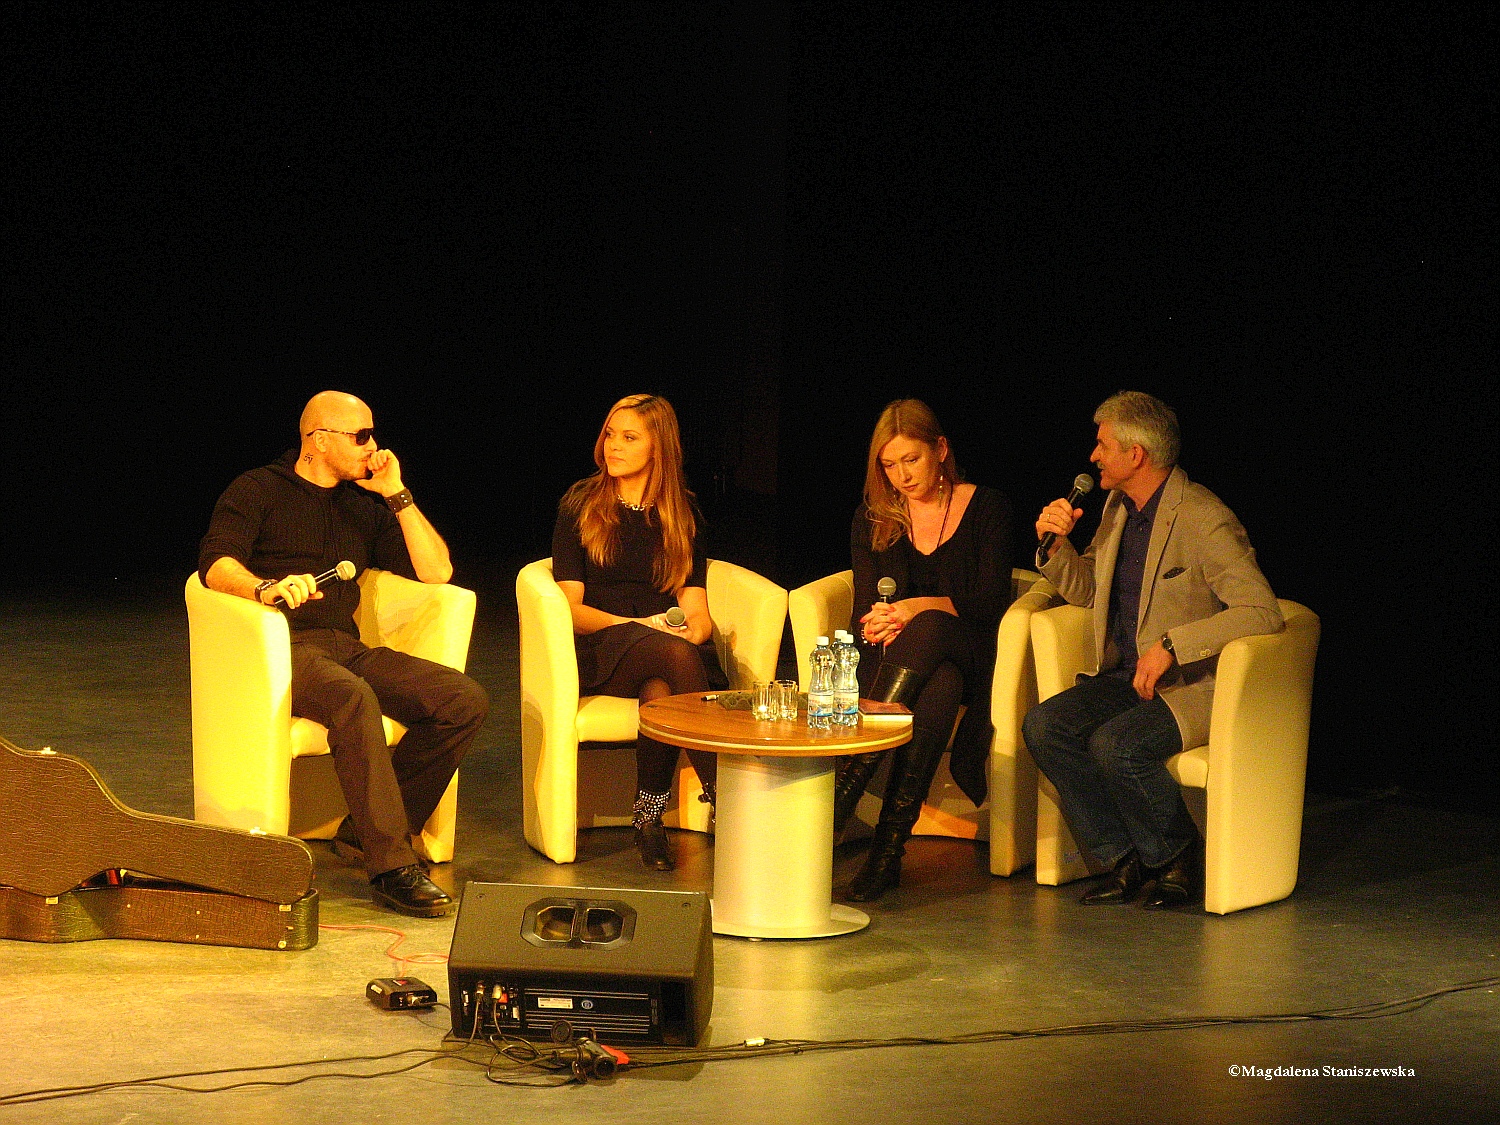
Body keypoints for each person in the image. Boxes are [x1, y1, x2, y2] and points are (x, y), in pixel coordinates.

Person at [198, 391, 488, 917]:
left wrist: (397, 494)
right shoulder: (258, 490)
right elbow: (216, 564)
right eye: (361, 436)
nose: (372, 447)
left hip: (343, 647)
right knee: (352, 698)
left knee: (462, 699)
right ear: (319, 439)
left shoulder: (362, 509)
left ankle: (368, 833)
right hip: (278, 648)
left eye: (371, 434)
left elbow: (437, 573)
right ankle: (390, 866)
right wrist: (264, 589)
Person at [1023, 391, 1281, 910]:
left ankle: (1178, 856)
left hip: (1191, 685)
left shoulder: (1204, 517)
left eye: (1102, 445)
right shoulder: (1118, 508)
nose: (1092, 457)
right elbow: (1092, 591)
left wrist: (1173, 645)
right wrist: (1055, 548)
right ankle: (1124, 859)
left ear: (1135, 455)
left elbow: (1262, 611)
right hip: (1124, 679)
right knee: (1044, 727)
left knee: (1116, 745)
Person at [839, 399, 1014, 902]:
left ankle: (853, 782)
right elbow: (865, 605)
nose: (901, 476)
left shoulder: (988, 507)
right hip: (903, 657)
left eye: (910, 460)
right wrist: (880, 622)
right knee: (939, 685)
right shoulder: (872, 517)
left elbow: (988, 601)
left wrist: (915, 609)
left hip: (973, 646)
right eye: (889, 466)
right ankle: (888, 851)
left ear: (940, 450)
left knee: (935, 628)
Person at [551, 393, 726, 872]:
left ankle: (647, 815)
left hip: (665, 652)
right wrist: (638, 626)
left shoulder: (682, 513)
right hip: (603, 646)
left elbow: (696, 604)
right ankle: (725, 803)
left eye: (629, 437)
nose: (614, 446)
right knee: (669, 660)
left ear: (658, 448)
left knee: (663, 683)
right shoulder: (581, 505)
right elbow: (569, 609)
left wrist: (695, 629)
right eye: (611, 434)